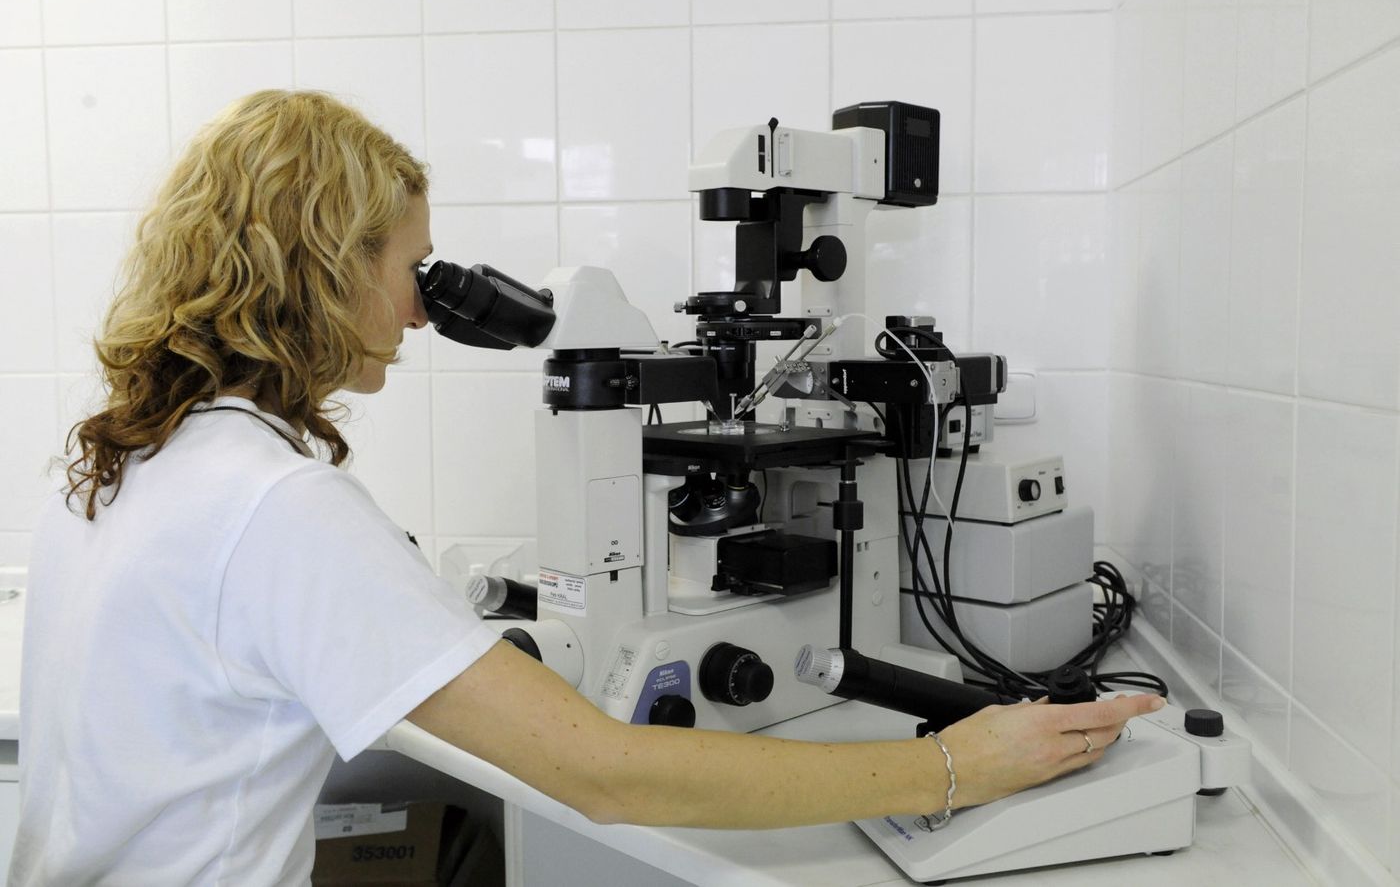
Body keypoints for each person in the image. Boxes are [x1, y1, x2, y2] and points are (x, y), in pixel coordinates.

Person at [9, 90, 1162, 885]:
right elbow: (602, 770)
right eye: (410, 267)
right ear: (323, 266)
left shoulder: (116, 458)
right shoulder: (276, 506)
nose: (421, 309)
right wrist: (955, 763)